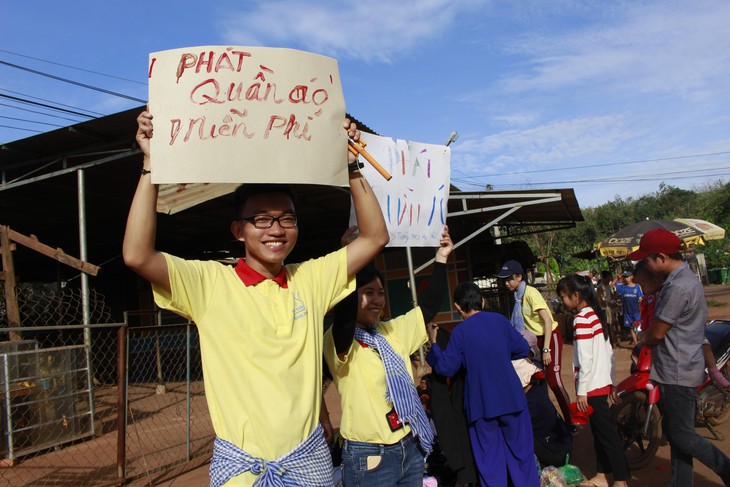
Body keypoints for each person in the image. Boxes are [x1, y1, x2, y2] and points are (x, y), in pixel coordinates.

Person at [123, 111, 389, 486]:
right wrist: (150, 165)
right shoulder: (208, 283)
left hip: (309, 462)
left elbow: (375, 237)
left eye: (287, 218)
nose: (276, 230)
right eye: (261, 219)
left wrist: (352, 166)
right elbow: (136, 254)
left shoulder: (309, 279)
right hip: (242, 471)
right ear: (238, 230)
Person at [323, 226, 453, 486]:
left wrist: (441, 257)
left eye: (380, 293)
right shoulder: (339, 340)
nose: (376, 300)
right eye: (367, 293)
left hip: (409, 446)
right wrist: (349, 256)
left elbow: (427, 307)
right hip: (369, 455)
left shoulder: (392, 331)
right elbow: (345, 315)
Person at [631, 229, 730, 486]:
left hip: (677, 370)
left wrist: (643, 338)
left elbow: (658, 332)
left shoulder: (677, 287)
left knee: (682, 435)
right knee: (679, 436)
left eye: (648, 260)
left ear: (661, 257)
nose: (647, 266)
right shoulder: (684, 280)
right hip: (680, 366)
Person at [426, 282, 539, 487]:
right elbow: (523, 348)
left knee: (490, 464)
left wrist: (434, 344)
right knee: (522, 458)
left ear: (458, 307)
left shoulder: (460, 332)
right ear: (483, 301)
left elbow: (446, 367)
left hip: (481, 405)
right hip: (511, 399)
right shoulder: (500, 321)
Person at [556, 274, 629, 487]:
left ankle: (621, 479)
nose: (562, 301)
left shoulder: (582, 319)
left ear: (576, 296)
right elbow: (609, 353)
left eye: (563, 297)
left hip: (593, 386)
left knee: (606, 435)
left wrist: (582, 390)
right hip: (600, 382)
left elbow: (586, 359)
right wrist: (611, 382)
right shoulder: (594, 315)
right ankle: (602, 474)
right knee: (600, 433)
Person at [633, 260, 730, 390]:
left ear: (655, 281)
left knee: (704, 344)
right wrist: (645, 331)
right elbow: (645, 318)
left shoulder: (671, 291)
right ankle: (655, 377)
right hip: (660, 333)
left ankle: (713, 371)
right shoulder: (647, 300)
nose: (643, 289)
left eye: (644, 285)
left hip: (685, 333)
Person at [497, 259, 572, 423]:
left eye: (509, 278)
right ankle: (550, 421)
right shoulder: (519, 296)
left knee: (554, 381)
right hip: (535, 341)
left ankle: (570, 421)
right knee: (538, 380)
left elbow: (547, 320)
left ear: (519, 277)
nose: (507, 283)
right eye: (505, 279)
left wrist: (546, 349)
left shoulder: (530, 293)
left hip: (549, 337)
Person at [614, 270, 643, 346]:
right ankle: (636, 344)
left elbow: (641, 297)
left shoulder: (637, 287)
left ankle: (642, 343)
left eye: (627, 276)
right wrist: (617, 279)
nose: (625, 278)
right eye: (624, 277)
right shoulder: (622, 287)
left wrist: (640, 301)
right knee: (631, 328)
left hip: (636, 311)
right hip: (627, 311)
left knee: (639, 327)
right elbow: (611, 286)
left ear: (631, 277)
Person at [596, 270, 618, 347]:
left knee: (613, 324)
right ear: (604, 278)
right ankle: (611, 342)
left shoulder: (608, 286)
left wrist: (614, 297)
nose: (609, 280)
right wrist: (610, 304)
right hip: (604, 308)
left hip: (608, 307)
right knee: (608, 326)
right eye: (608, 278)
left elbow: (611, 296)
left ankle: (613, 341)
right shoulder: (600, 287)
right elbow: (601, 300)